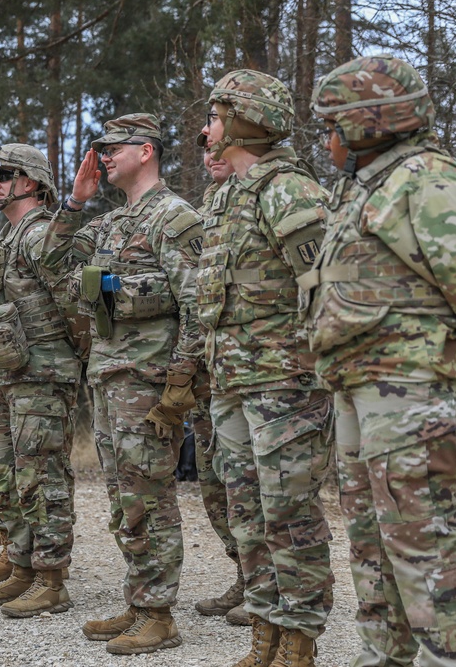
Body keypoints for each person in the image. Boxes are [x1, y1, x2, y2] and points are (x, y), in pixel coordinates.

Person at [305, 54, 456, 667]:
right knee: (371, 540)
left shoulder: (424, 179)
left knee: (422, 538)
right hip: (362, 384)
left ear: (368, 125)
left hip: (412, 385)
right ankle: (385, 656)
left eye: (333, 125)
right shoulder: (369, 182)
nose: (325, 139)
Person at [42, 114, 204, 655]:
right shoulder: (113, 224)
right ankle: (139, 602)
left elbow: (198, 307)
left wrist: (180, 383)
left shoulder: (173, 218)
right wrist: (75, 203)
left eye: (114, 148)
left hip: (151, 383)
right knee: (122, 496)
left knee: (149, 497)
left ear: (148, 151)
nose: (104, 156)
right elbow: (51, 256)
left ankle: (160, 614)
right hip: (110, 379)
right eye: (100, 148)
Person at [196, 70, 335, 667]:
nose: (207, 130)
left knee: (289, 514)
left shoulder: (290, 192)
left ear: (245, 122)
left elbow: (329, 289)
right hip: (232, 382)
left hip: (285, 386)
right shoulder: (228, 196)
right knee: (246, 513)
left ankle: (298, 639)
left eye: (217, 116)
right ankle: (264, 631)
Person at [0, 143, 81, 619]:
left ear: (31, 182)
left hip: (42, 375)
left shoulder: (40, 235)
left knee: (42, 477)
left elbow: (75, 302)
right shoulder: (7, 240)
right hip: (9, 374)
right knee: (5, 477)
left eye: (5, 173)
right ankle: (22, 564)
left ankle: (51, 578)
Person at [189, 143, 247, 627]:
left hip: (253, 370)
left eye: (221, 147)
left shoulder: (268, 198)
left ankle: (273, 587)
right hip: (211, 370)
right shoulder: (211, 206)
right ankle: (248, 574)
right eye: (207, 150)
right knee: (216, 484)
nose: (211, 153)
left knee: (251, 483)